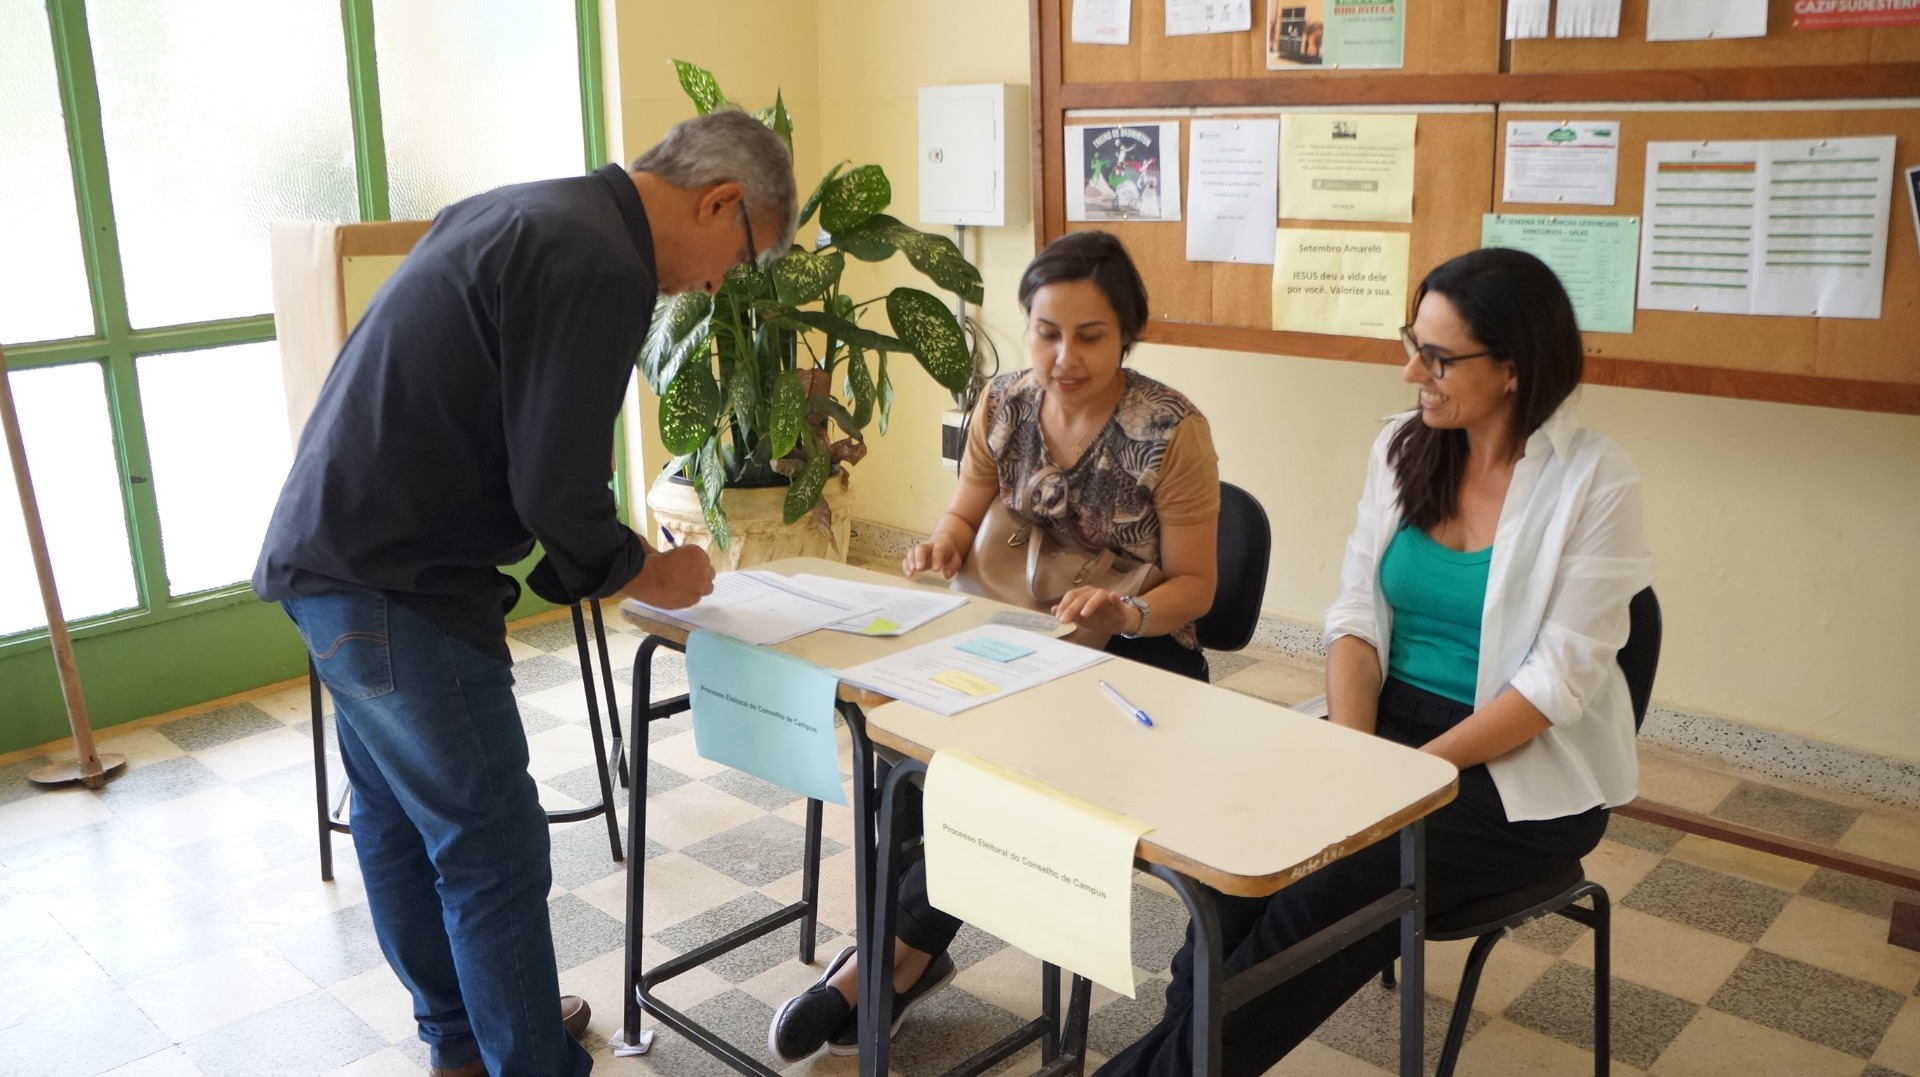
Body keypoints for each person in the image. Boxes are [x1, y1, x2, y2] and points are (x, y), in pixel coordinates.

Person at [254, 109, 796, 1077]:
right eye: (740, 257)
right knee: (492, 844)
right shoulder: (604, 265)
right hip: (400, 581)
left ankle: (464, 1041)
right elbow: (557, 490)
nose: (719, 285)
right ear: (720, 202)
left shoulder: (536, 212)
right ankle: (526, 1060)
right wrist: (655, 570)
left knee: (397, 818)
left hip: (332, 555)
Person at [1098, 247, 1655, 1076]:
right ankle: (1190, 1051)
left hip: (1515, 766)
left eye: (1438, 357)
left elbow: (1554, 683)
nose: (1411, 372)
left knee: (1340, 879)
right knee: (1238, 832)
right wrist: (1352, 757)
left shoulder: (1596, 480)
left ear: (1513, 367)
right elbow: (1357, 613)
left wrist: (1401, 782)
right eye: (1412, 343)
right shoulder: (1403, 444)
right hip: (1380, 725)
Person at [768, 230, 1222, 1062]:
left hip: (1134, 659)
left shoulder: (1171, 430)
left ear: (1128, 333)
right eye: (1047, 333)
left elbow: (1197, 585)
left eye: (1090, 336)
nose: (1064, 357)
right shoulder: (1003, 402)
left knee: (999, 781)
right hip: (1014, 636)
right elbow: (964, 510)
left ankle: (879, 965)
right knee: (903, 749)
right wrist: (942, 546)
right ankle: (900, 954)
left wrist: (1125, 609)